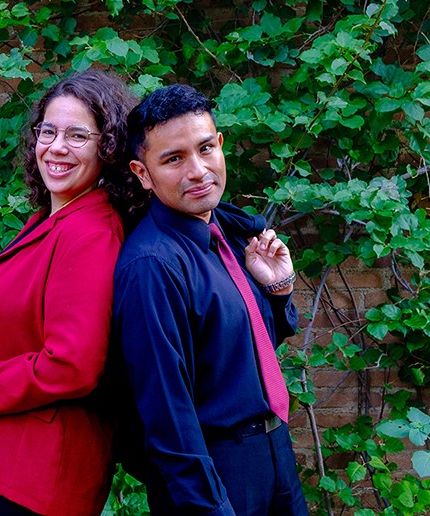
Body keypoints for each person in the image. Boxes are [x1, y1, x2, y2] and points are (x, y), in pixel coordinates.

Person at [0, 70, 142, 515]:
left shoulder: (90, 233)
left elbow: (72, 366)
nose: (56, 147)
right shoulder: (55, 217)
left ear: (109, 147)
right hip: (2, 459)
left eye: (77, 136)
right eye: (48, 131)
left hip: (35, 476)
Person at [112, 83, 307, 515]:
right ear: (143, 173)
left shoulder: (227, 235)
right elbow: (167, 415)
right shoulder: (152, 265)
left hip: (274, 454)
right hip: (216, 472)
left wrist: (278, 292)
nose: (198, 171)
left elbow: (236, 358)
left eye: (205, 149)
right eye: (174, 159)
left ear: (220, 144)